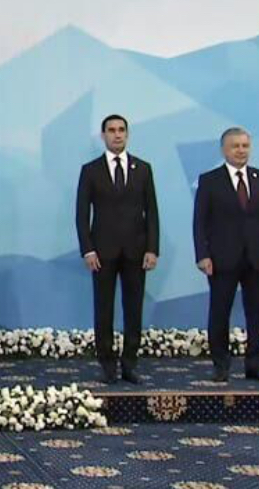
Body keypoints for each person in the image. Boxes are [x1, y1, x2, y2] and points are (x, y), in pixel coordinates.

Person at [193, 127, 259, 383]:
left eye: (245, 146)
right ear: (224, 149)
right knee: (220, 312)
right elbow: (199, 221)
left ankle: (255, 366)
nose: (241, 150)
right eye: (235, 146)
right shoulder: (210, 180)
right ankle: (221, 366)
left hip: (257, 256)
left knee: (256, 313)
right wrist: (202, 255)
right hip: (222, 258)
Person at [75, 114, 159, 384]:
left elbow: (152, 212)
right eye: (111, 130)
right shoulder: (91, 170)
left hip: (136, 251)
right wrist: (88, 250)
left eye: (121, 130)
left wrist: (152, 249)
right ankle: (107, 365)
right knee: (104, 310)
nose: (117, 134)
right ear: (103, 136)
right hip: (102, 252)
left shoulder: (143, 169)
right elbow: (81, 214)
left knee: (133, 310)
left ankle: (130, 365)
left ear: (127, 134)